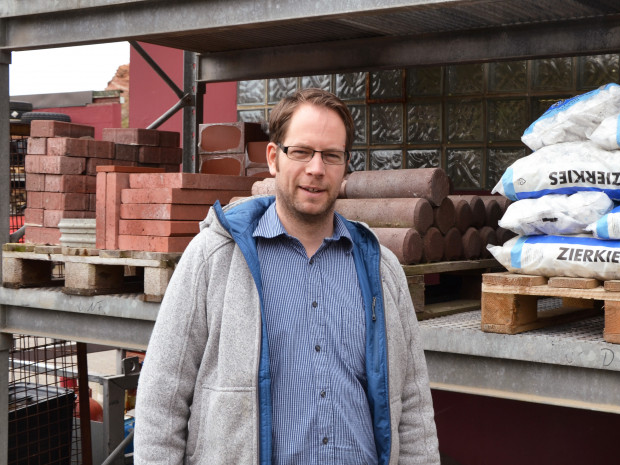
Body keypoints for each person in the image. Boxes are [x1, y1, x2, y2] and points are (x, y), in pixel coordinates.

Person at [134, 88, 440, 464]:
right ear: (274, 158)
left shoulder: (380, 268)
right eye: (302, 152)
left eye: (331, 155)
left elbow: (412, 406)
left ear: (345, 166)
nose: (316, 168)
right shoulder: (214, 259)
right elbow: (162, 400)